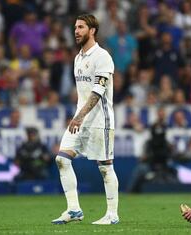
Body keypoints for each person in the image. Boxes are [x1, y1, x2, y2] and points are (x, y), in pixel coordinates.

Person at [51, 14, 119, 225]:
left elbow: (98, 90)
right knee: (62, 159)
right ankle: (73, 210)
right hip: (80, 118)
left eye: (81, 27)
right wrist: (78, 115)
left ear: (92, 31)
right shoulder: (78, 58)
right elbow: (83, 92)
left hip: (100, 119)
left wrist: (79, 116)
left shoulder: (103, 57)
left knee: (105, 166)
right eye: (75, 27)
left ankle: (112, 214)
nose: (76, 31)